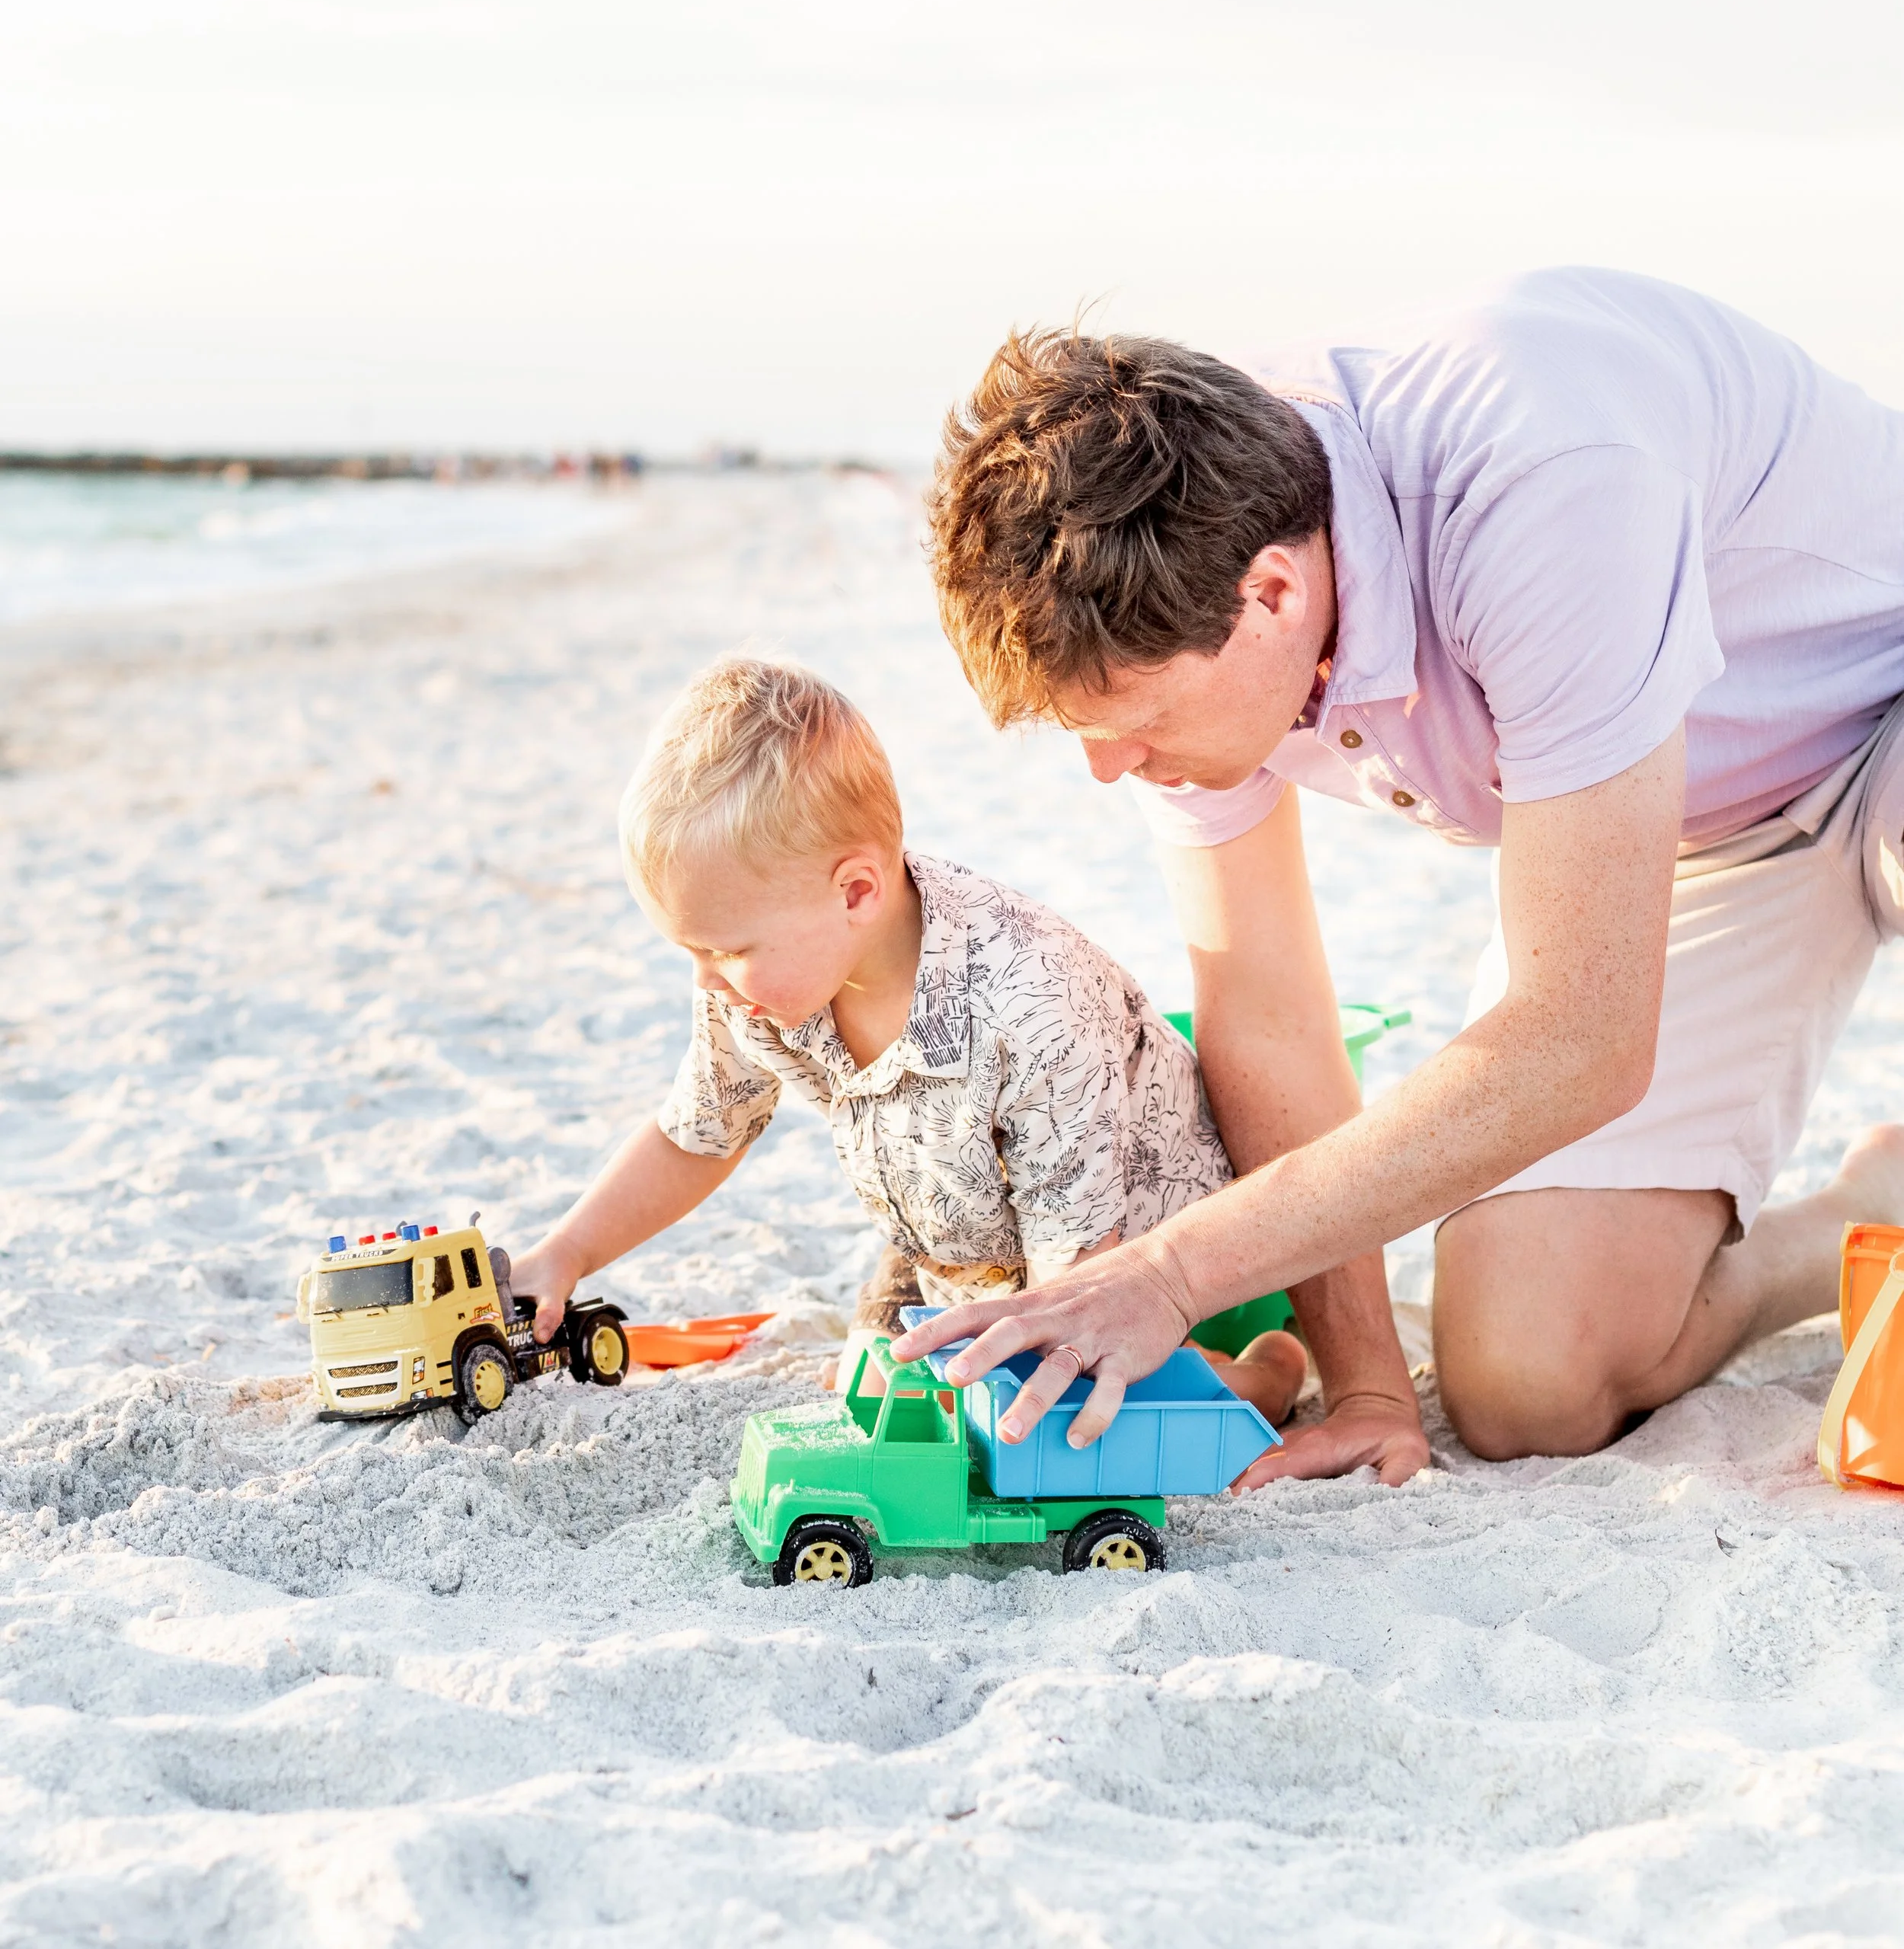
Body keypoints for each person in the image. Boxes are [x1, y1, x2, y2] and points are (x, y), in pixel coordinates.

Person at [904, 267, 1904, 1478]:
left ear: (1273, 592)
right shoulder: (1179, 600)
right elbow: (1267, 1015)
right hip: (1682, 813)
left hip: (1881, 701)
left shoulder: (1541, 481)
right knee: (1530, 1377)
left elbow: (1581, 1037)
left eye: (1130, 722)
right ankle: (1869, 1208)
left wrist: (1170, 1273)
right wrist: (1369, 1383)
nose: (1112, 768)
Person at [506, 653, 1308, 1426]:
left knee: (1079, 1408)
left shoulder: (1027, 1004)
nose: (706, 981)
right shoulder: (760, 985)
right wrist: (566, 1253)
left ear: (855, 892)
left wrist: (1028, 1354)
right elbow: (699, 1134)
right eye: (691, 950)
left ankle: (1258, 1373)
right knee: (871, 1383)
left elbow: (1084, 1274)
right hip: (945, 1223)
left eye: (726, 951)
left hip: (1118, 1237)